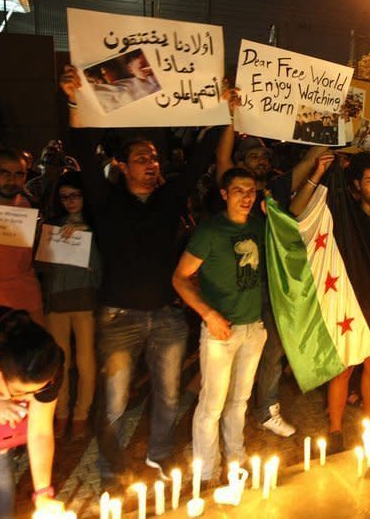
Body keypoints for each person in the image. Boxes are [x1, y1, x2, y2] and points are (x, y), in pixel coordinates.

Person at [61, 65, 218, 486]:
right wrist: (76, 100)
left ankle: (159, 455)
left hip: (167, 318)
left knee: (167, 396)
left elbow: (199, 161)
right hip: (118, 318)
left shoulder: (169, 199)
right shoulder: (106, 201)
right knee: (113, 401)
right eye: (141, 158)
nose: (151, 163)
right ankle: (112, 466)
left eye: (154, 157)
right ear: (123, 166)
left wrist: (225, 108)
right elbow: (81, 151)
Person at [216, 95, 328, 437]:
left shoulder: (278, 187)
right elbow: (221, 156)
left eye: (264, 156)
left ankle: (266, 408)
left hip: (272, 283)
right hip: (235, 284)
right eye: (253, 156)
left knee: (273, 348)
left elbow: (309, 159)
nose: (261, 161)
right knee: (228, 351)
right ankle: (222, 410)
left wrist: (327, 116)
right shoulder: (232, 184)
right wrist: (230, 114)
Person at [293, 153, 370, 451]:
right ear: (357, 185)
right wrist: (319, 170)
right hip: (346, 305)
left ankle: (369, 425)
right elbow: (297, 211)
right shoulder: (342, 217)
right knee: (344, 368)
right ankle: (335, 430)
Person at [172, 167, 267, 483]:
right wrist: (208, 314)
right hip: (220, 330)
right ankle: (207, 470)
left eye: (251, 190)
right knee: (212, 404)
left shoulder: (258, 225)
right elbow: (180, 277)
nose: (246, 197)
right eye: (238, 190)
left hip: (254, 328)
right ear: (224, 194)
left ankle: (236, 458)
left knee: (239, 400)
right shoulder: (210, 232)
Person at [37, 171, 101, 439]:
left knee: (85, 359)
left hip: (85, 298)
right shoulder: (52, 225)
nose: (70, 202)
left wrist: (88, 236)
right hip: (57, 300)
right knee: (60, 362)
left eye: (75, 195)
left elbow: (101, 268)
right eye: (65, 197)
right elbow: (41, 265)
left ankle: (81, 415)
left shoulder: (98, 225)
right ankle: (61, 413)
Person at [0, 307, 65, 518]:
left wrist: (42, 493)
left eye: (37, 391)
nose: (28, 400)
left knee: (0, 500)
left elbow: (40, 432)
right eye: (21, 392)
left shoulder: (46, 362)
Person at [0, 148, 45, 325]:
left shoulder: (33, 206)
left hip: (27, 298)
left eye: (19, 174)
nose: (12, 180)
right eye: (4, 173)